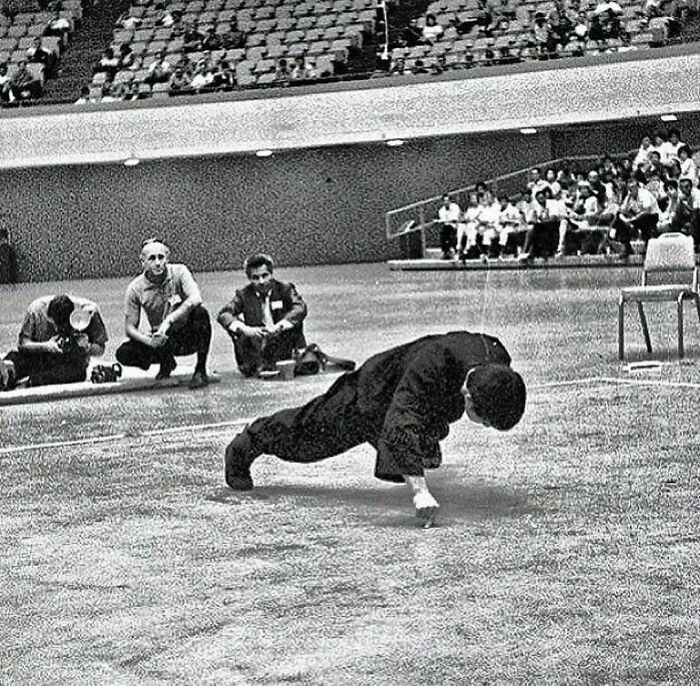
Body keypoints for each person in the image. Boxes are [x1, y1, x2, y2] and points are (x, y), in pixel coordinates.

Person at [223, 331, 526, 527]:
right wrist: (420, 492)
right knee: (310, 435)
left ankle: (410, 454)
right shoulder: (432, 364)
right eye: (485, 420)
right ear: (469, 397)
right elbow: (401, 420)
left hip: (427, 396)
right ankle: (248, 442)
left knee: (422, 446)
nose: (484, 425)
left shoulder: (496, 363)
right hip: (373, 392)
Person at [115, 238, 211, 388]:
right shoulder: (135, 288)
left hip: (183, 336)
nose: (158, 263)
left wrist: (169, 321)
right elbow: (130, 328)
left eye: (161, 257)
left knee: (200, 313)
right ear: (143, 262)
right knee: (124, 353)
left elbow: (196, 298)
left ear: (167, 258)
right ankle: (166, 362)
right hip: (161, 341)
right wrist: (148, 341)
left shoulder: (179, 272)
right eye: (152, 258)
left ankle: (200, 369)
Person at [217, 253, 307, 377]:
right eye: (255, 277)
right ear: (249, 279)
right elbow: (224, 314)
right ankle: (253, 364)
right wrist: (246, 329)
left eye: (265, 275)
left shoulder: (285, 289)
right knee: (235, 324)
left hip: (282, 341)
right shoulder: (243, 295)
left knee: (294, 321)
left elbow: (300, 308)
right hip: (257, 344)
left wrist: (279, 326)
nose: (261, 281)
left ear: (272, 274)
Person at [0, 294, 108, 390]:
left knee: (75, 373)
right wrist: (47, 346)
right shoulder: (36, 310)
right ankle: (7, 373)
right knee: (14, 359)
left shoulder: (90, 312)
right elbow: (22, 344)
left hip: (69, 361)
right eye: (56, 326)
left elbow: (101, 349)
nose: (58, 331)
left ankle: (34, 381)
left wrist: (87, 347)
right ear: (50, 318)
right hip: (38, 356)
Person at [437, 194, 462, 259]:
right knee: (444, 231)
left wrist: (445, 221)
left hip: (457, 225)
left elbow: (454, 219)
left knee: (448, 229)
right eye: (444, 201)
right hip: (447, 227)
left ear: (450, 201)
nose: (446, 202)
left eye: (447, 200)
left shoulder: (455, 207)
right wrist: (445, 221)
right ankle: (446, 251)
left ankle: (449, 250)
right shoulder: (441, 210)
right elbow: (444, 221)